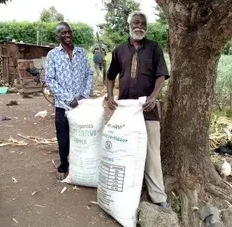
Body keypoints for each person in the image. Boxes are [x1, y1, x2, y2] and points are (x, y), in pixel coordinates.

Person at [106, 11, 170, 207]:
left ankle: (158, 197)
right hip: (125, 111)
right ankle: (125, 190)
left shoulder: (153, 48)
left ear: (146, 27)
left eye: (143, 23)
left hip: (147, 108)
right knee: (123, 149)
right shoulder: (119, 50)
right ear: (129, 25)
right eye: (135, 22)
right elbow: (110, 76)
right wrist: (109, 96)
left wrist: (154, 96)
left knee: (152, 152)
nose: (139, 26)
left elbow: (161, 75)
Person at [45, 22, 94, 180]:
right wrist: (68, 98)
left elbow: (89, 74)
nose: (67, 35)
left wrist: (85, 96)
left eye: (69, 32)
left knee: (81, 135)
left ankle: (79, 163)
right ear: (58, 35)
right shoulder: (53, 55)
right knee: (63, 136)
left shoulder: (81, 52)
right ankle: (63, 165)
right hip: (63, 105)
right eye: (62, 33)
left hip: (81, 105)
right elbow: (50, 80)